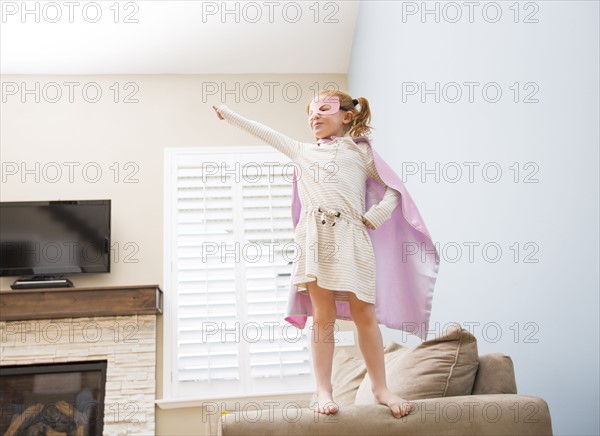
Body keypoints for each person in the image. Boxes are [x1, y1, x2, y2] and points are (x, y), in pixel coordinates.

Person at [212, 90, 435, 419]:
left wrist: (378, 214)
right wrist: (228, 113)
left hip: (353, 237)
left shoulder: (361, 154)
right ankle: (323, 390)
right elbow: (265, 131)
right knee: (323, 315)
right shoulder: (301, 151)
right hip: (314, 238)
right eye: (310, 113)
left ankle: (380, 388)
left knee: (365, 315)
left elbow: (393, 189)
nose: (314, 117)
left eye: (323, 110)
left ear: (346, 116)